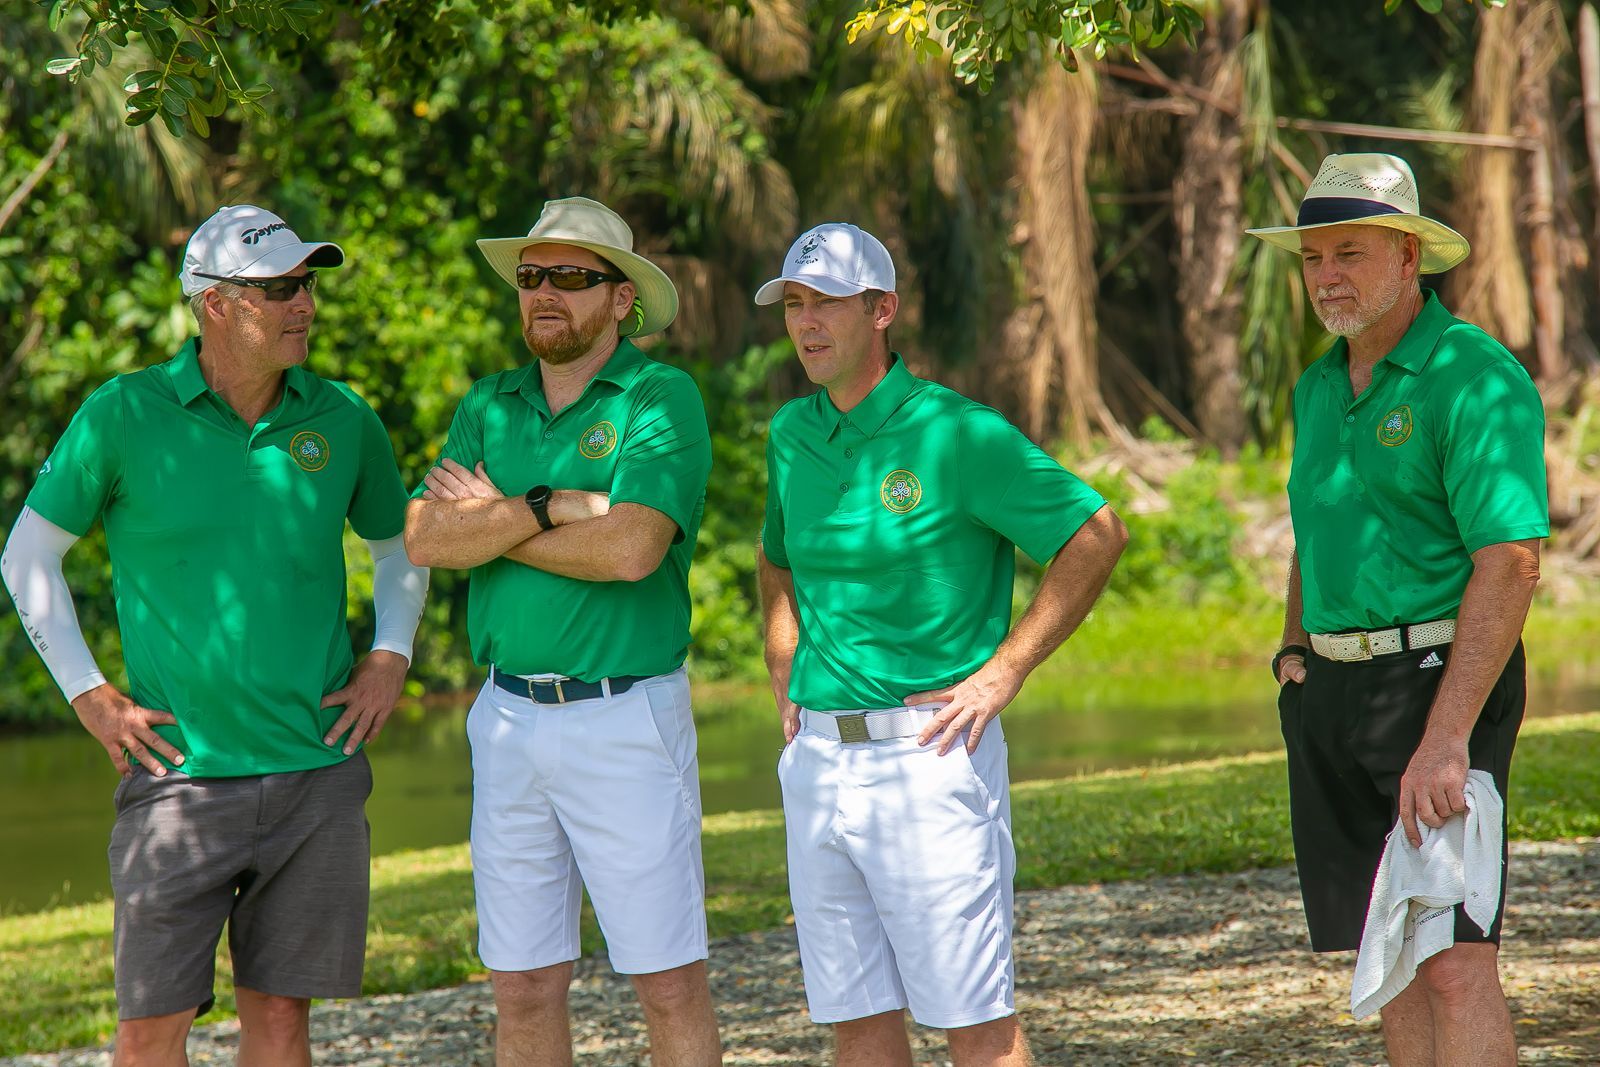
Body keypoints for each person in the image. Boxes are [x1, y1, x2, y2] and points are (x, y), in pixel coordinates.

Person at [0, 204, 429, 1067]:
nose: (305, 303)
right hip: (178, 779)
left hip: (316, 773)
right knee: (149, 1034)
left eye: (307, 284)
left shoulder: (343, 417)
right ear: (216, 305)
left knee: (282, 1023)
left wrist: (391, 655)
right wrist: (90, 696)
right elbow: (27, 556)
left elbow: (400, 548)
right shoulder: (124, 414)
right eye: (281, 289)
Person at [754, 223, 1127, 1067]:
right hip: (817, 761)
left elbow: (1096, 533)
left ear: (882, 310)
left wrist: (1006, 669)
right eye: (795, 304)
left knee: (976, 1024)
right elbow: (776, 560)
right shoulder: (789, 433)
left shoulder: (958, 432)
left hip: (929, 756)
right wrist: (783, 659)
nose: (807, 322)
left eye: (828, 303)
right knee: (858, 1023)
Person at [403, 196, 720, 1067]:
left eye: (572, 276)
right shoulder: (488, 402)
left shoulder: (662, 396)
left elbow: (631, 549)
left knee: (667, 982)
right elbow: (425, 536)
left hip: (625, 718)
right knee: (522, 984)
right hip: (506, 718)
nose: (544, 291)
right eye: (531, 275)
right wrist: (551, 503)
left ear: (621, 299)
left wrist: (495, 522)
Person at [1247, 153, 1548, 1066]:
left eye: (1350, 253)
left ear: (1409, 257)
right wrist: (1294, 653)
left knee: (1454, 960)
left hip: (1440, 685)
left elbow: (1511, 562)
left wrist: (1448, 737)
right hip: (1333, 694)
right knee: (1391, 959)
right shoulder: (1317, 386)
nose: (1326, 276)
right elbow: (1318, 524)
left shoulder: (1474, 375)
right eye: (1313, 258)